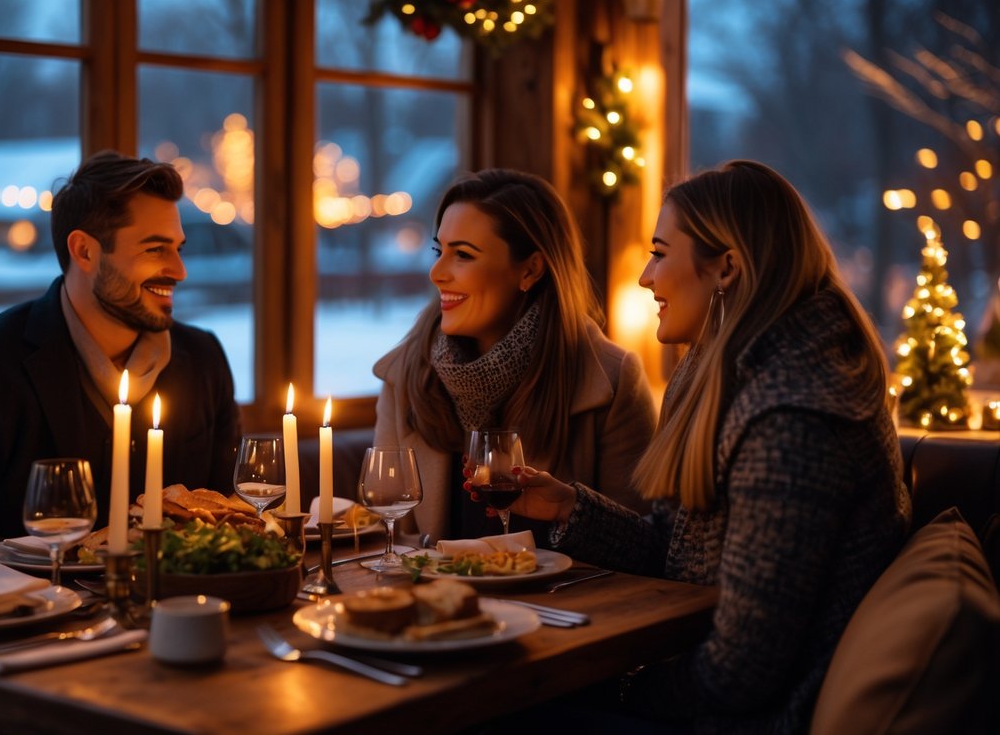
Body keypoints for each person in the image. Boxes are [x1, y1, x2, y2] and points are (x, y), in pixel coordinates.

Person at [505, 160, 912, 732]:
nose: (646, 277)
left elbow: (741, 673)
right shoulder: (719, 377)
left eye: (659, 252)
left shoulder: (795, 421)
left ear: (726, 268)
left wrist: (611, 682)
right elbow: (674, 551)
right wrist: (568, 507)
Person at [0, 151, 240, 580]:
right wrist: (68, 567)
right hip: (26, 626)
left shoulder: (204, 359)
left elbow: (230, 508)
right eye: (156, 249)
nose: (180, 270)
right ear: (84, 250)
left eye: (178, 249)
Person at [373, 168, 657, 542]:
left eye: (463, 255)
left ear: (530, 270)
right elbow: (384, 535)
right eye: (438, 251)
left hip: (565, 601)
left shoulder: (611, 380)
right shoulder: (407, 374)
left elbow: (636, 544)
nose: (436, 272)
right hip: (435, 598)